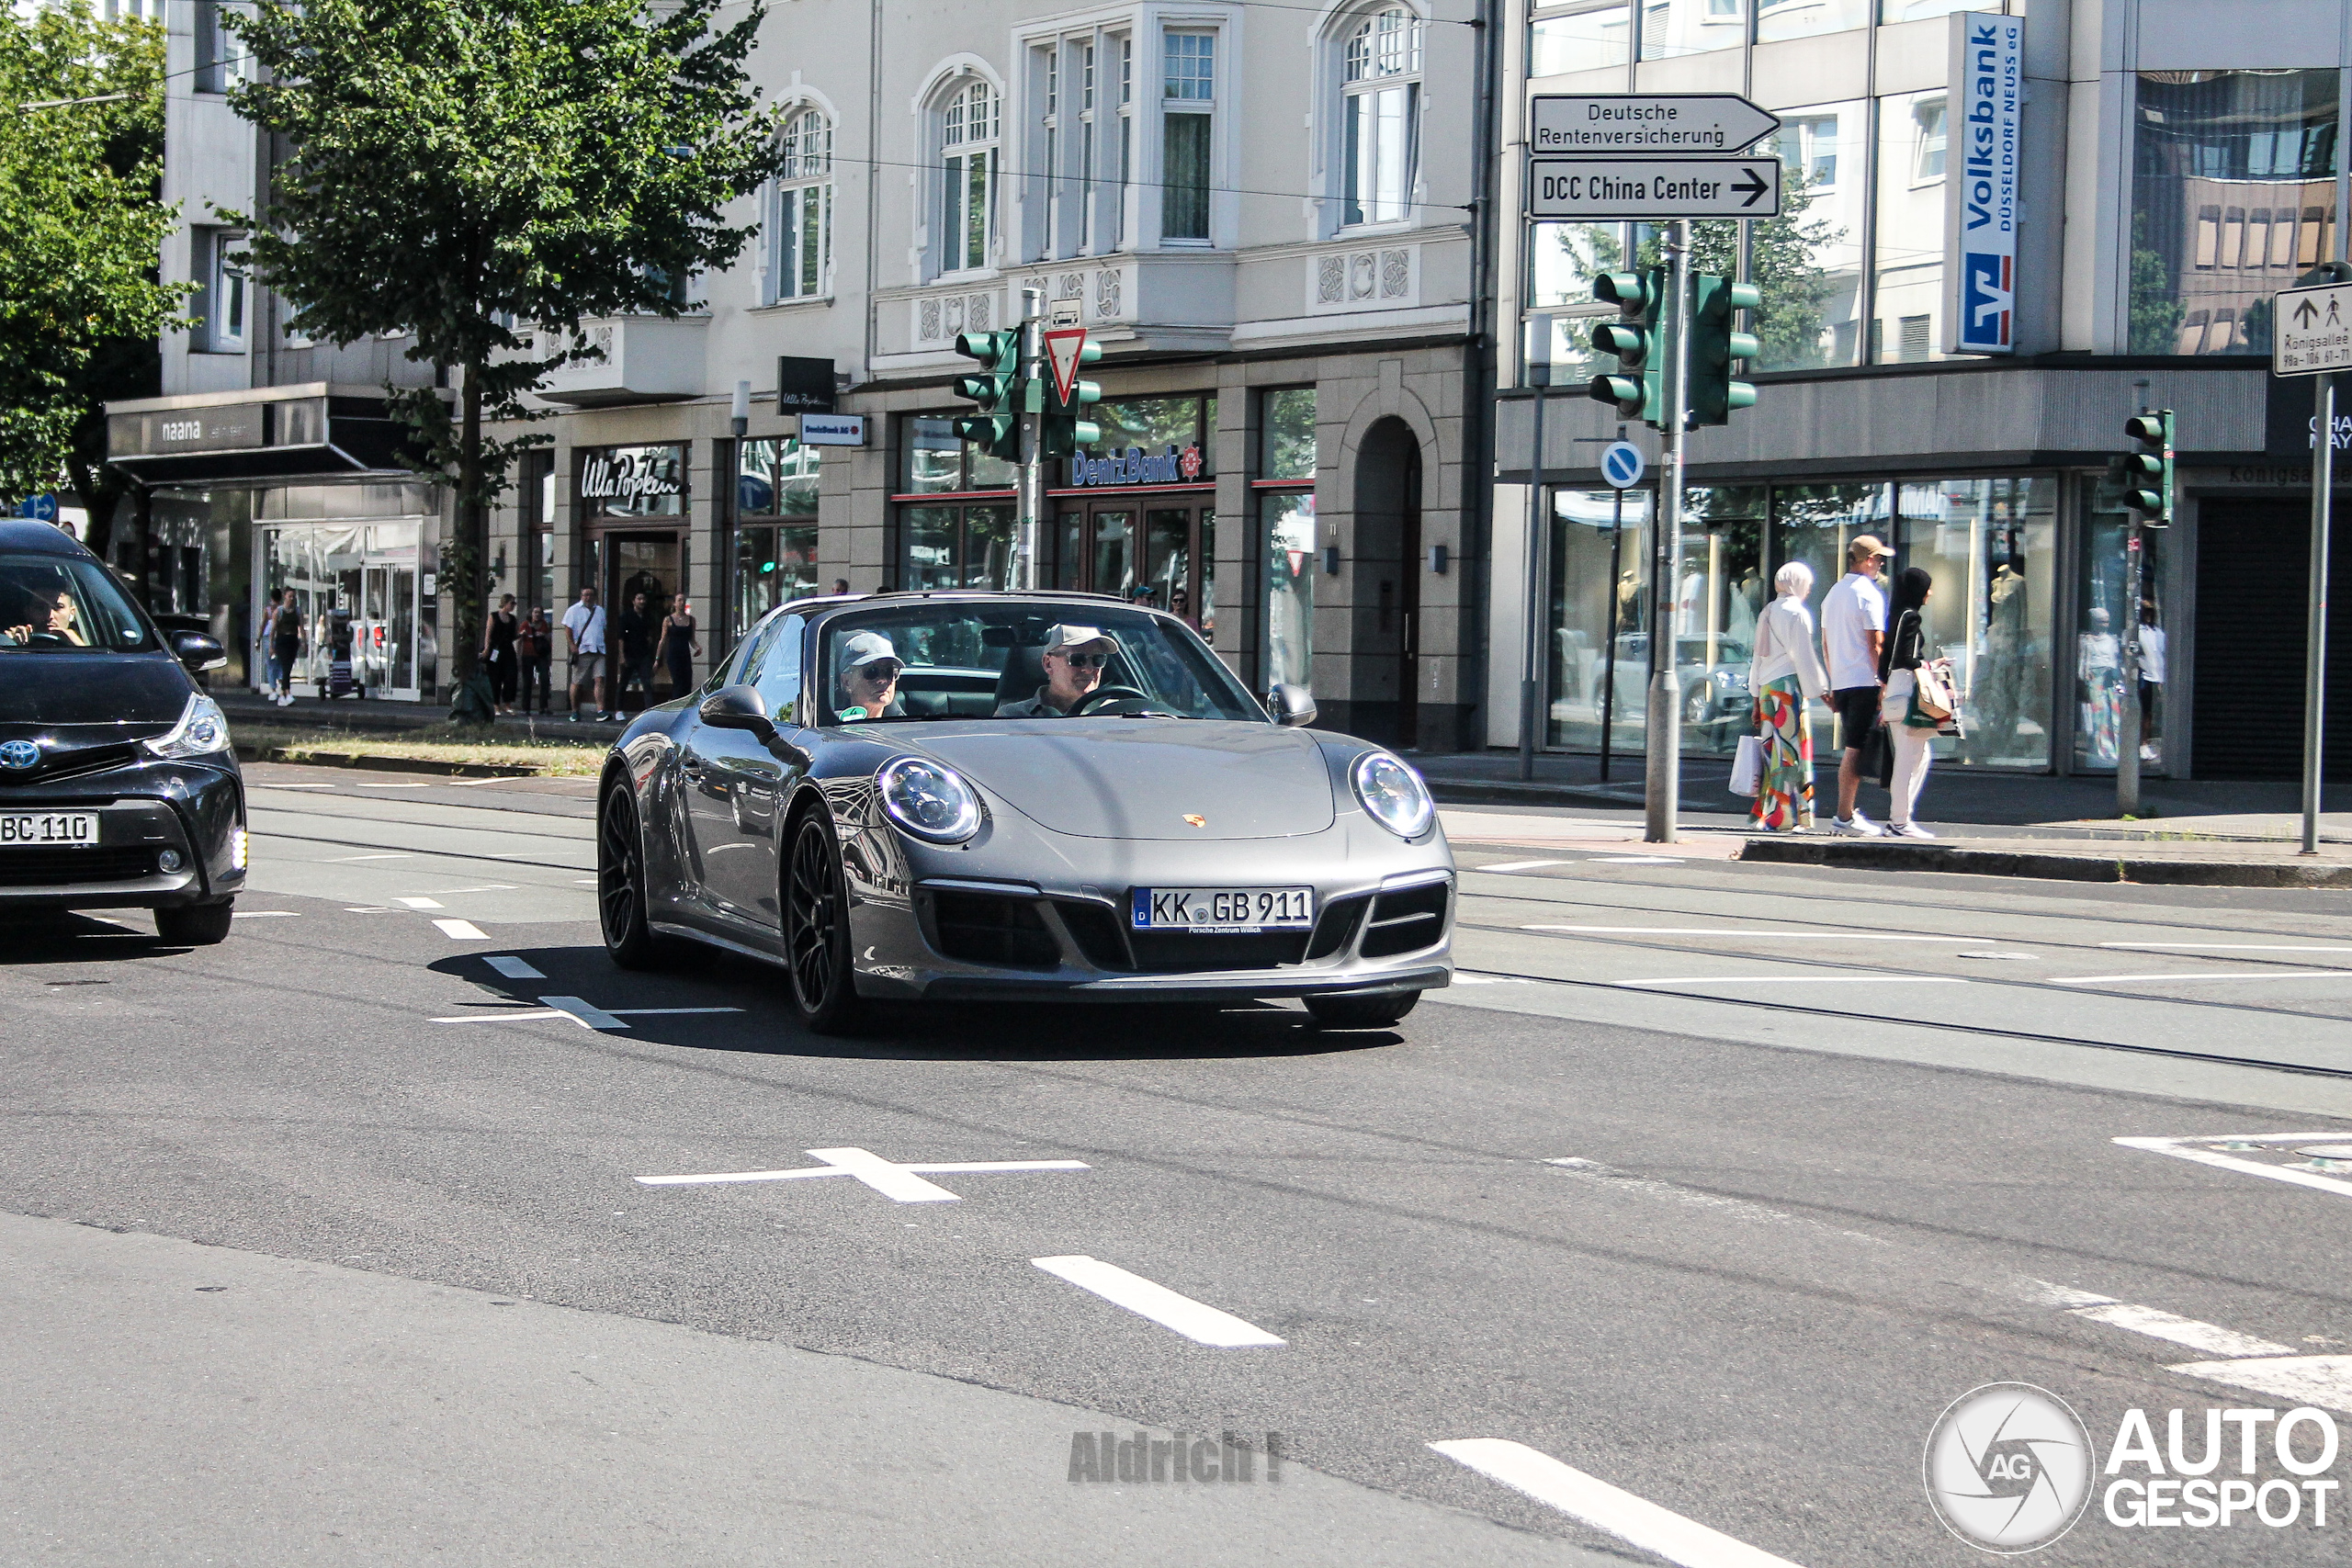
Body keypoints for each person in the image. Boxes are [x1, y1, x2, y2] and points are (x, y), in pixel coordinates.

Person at [1746, 561, 1831, 832]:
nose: (1808, 589)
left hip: (1767, 688)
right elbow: (1804, 656)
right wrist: (1822, 689)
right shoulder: (1799, 613)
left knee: (1774, 753)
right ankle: (1795, 816)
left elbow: (1758, 657)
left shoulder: (1768, 611)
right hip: (1788, 687)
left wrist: (1756, 697)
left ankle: (1769, 814)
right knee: (1794, 752)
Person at [1819, 534, 1893, 836]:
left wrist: (1835, 682)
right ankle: (1844, 815)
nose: (1880, 564)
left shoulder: (1833, 594)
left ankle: (1847, 814)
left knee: (1855, 746)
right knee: (1855, 749)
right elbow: (1875, 643)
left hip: (1845, 680)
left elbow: (1826, 644)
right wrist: (1884, 681)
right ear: (1865, 560)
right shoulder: (1867, 593)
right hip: (1865, 680)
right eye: (1877, 559)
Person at [1878, 566, 1939, 839]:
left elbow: (1886, 662)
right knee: (1909, 757)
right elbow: (1904, 657)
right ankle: (1899, 821)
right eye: (1927, 587)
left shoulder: (1896, 615)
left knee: (1917, 755)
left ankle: (1901, 817)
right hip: (1905, 689)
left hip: (1895, 689)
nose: (1930, 593)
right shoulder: (1910, 617)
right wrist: (1928, 665)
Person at [996, 624, 1114, 716]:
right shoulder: (1011, 716)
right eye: (1077, 659)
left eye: (1098, 659)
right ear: (1048, 664)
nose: (1088, 669)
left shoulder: (1117, 712)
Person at [831, 630, 905, 721]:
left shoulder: (906, 729)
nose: (882, 680)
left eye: (889, 672)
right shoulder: (830, 727)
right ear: (846, 682)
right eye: (871, 671)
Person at [561, 585, 606, 722]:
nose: (588, 597)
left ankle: (600, 710)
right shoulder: (573, 610)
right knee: (577, 682)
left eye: (591, 595)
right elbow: (567, 629)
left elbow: (603, 628)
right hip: (583, 650)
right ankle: (575, 711)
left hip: (599, 649)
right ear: (581, 596)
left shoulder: (599, 610)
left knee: (599, 679)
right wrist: (572, 645)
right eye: (585, 595)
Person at [616, 590, 657, 716]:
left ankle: (649, 711)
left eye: (643, 599)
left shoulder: (648, 616)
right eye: (639, 599)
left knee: (647, 683)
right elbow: (621, 637)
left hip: (643, 654)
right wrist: (622, 656)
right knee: (624, 682)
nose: (642, 601)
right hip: (629, 654)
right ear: (634, 601)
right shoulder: (626, 616)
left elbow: (651, 633)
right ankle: (619, 709)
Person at [2136, 598, 2165, 765]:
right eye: (2146, 612)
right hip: (2144, 677)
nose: (2148, 615)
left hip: (2158, 678)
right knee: (2144, 711)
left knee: (2151, 713)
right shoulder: (2137, 632)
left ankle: (2147, 742)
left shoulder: (2159, 633)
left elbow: (2162, 656)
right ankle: (2142, 743)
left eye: (2151, 612)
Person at [658, 592, 701, 700]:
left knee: (687, 680)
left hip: (685, 653)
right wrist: (657, 658)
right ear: (674, 604)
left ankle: (685, 703)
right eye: (679, 600)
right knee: (677, 681)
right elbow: (662, 640)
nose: (682, 603)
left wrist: (698, 648)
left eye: (684, 600)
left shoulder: (691, 620)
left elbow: (692, 639)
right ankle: (676, 702)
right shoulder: (668, 620)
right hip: (673, 653)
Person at [482, 592, 519, 715]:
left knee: (511, 676)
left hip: (508, 649)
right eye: (511, 603)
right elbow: (488, 633)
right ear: (505, 603)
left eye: (514, 603)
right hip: (495, 649)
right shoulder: (494, 616)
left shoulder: (513, 619)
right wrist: (487, 648)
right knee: (495, 677)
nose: (513, 605)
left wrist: (520, 635)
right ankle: (495, 704)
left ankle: (507, 703)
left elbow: (513, 635)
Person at [515, 606, 550, 715]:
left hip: (541, 655)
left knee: (545, 678)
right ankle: (526, 708)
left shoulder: (544, 624)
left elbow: (549, 638)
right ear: (531, 614)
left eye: (539, 612)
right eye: (535, 612)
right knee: (528, 681)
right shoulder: (525, 624)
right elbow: (519, 640)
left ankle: (543, 707)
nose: (537, 615)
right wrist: (518, 655)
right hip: (528, 654)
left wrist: (544, 635)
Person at [271, 592, 304, 705]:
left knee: (288, 667)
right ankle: (287, 693)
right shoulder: (279, 611)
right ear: (285, 597)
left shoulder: (298, 611)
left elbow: (301, 627)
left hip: (293, 640)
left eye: (293, 596)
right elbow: (273, 630)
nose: (292, 598)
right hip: (282, 640)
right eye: (289, 596)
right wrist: (271, 646)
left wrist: (303, 641)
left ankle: (282, 694)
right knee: (285, 666)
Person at [257, 588, 284, 696]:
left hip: (268, 637)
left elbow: (263, 625)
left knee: (270, 663)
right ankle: (282, 686)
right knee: (281, 662)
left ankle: (273, 689)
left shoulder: (268, 610)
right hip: (280, 637)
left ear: (271, 598)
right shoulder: (282, 610)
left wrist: (258, 639)